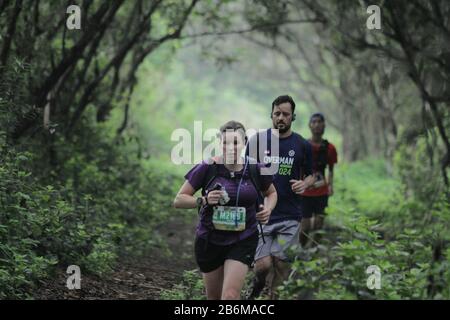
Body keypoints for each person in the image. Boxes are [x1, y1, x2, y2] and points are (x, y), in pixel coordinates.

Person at [173, 120, 277, 300]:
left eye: (236, 142)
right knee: (214, 298)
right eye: (226, 142)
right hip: (210, 239)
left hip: (243, 239)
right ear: (219, 143)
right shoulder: (208, 167)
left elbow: (272, 193)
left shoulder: (255, 168)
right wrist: (203, 199)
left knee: (230, 296)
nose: (231, 147)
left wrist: (267, 209)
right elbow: (179, 200)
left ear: (244, 143)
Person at [246, 95, 315, 299]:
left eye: (286, 114)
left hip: (290, 214)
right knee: (262, 266)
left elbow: (312, 174)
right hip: (262, 214)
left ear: (293, 117)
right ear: (271, 115)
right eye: (277, 113)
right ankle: (258, 285)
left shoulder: (302, 144)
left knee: (282, 264)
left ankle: (273, 298)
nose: (281, 118)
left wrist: (305, 183)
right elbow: (245, 171)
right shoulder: (257, 140)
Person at [300, 113, 338, 247]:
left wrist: (331, 186)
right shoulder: (303, 145)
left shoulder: (330, 148)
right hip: (305, 192)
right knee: (305, 226)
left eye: (319, 122)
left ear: (324, 125)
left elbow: (331, 169)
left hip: (321, 191)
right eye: (314, 122)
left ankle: (314, 251)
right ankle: (302, 249)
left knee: (319, 225)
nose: (317, 125)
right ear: (310, 125)